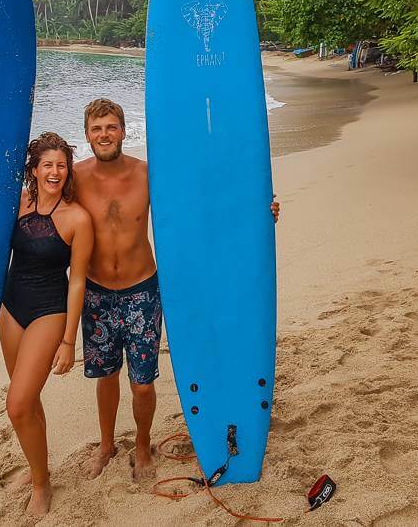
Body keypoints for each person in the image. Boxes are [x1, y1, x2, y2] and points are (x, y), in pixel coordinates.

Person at [73, 99, 279, 481]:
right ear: (86, 134)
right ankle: (105, 445)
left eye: (111, 127)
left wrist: (259, 208)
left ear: (123, 130)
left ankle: (141, 442)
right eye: (96, 128)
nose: (104, 134)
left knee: (143, 381)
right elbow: (43, 207)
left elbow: (200, 202)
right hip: (97, 294)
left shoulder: (147, 175)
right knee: (106, 377)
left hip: (141, 290)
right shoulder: (75, 177)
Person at [0, 132, 93, 517]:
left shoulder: (77, 218)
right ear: (33, 170)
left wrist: (69, 340)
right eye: (47, 165)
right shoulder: (16, 203)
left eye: (61, 165)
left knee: (17, 404)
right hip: (11, 307)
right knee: (29, 398)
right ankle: (39, 465)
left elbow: (78, 280)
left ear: (67, 170)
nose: (54, 172)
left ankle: (41, 484)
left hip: (49, 310)